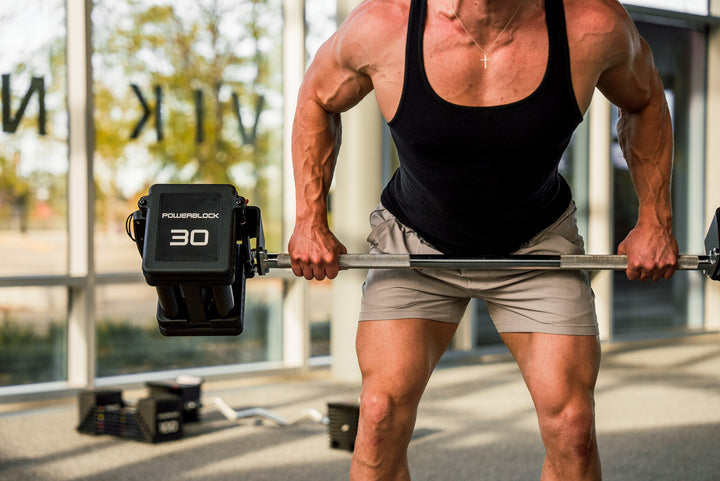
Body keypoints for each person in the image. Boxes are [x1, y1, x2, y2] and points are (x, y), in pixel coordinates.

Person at [288, 0, 679, 479]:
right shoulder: (384, 24)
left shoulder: (591, 23)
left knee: (573, 428)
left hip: (538, 243)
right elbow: (316, 97)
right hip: (415, 241)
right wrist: (310, 219)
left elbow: (645, 99)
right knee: (379, 414)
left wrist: (655, 221)